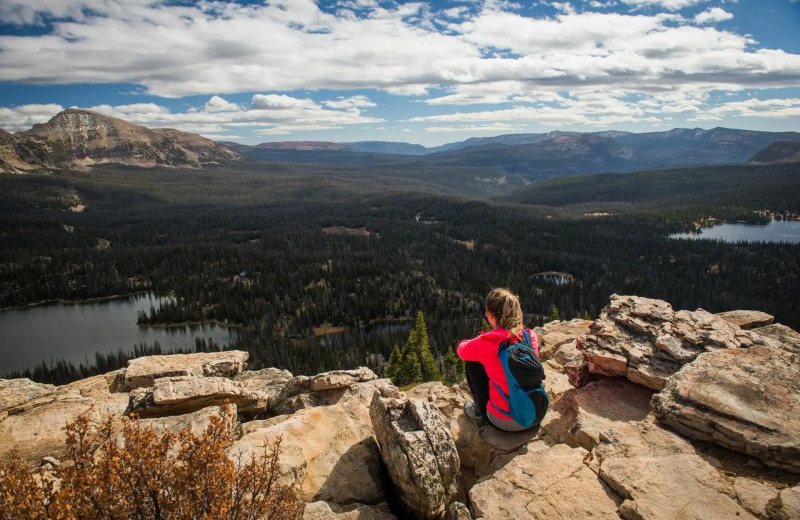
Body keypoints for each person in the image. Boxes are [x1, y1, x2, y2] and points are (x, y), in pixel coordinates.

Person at [457, 287, 540, 432]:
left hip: (504, 421)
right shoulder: (529, 336)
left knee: (471, 362)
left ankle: (480, 411)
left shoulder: (489, 341)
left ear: (490, 315)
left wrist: (484, 337)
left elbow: (461, 350)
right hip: (535, 414)